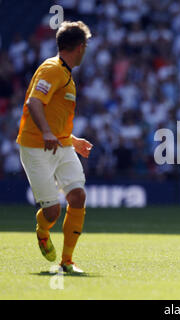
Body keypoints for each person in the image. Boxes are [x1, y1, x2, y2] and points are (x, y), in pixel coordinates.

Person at [16, 21, 93, 273]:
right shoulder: (52, 69)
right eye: (86, 46)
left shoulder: (67, 76)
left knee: (78, 196)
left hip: (60, 144)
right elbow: (34, 102)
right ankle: (42, 230)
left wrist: (73, 140)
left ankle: (67, 261)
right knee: (51, 212)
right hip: (36, 147)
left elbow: (54, 117)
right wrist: (48, 132)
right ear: (80, 47)